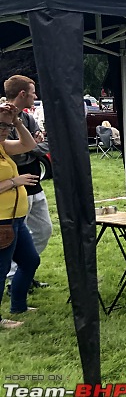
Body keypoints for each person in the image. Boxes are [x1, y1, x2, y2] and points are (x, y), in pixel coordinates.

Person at [4, 76, 51, 292]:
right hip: (13, 188)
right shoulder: (3, 115)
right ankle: (15, 279)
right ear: (22, 93)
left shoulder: (26, 118)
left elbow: (41, 145)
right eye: (33, 92)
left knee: (44, 229)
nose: (36, 96)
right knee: (12, 238)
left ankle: (24, 272)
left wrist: (30, 145)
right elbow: (17, 154)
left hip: (33, 181)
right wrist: (31, 145)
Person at [0, 102, 40, 328]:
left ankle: (18, 305)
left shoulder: (3, 147)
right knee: (1, 269)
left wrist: (16, 120)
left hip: (16, 218)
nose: (4, 131)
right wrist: (15, 182)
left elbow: (29, 144)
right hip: (1, 220)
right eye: (1, 126)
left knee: (30, 260)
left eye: (6, 127)